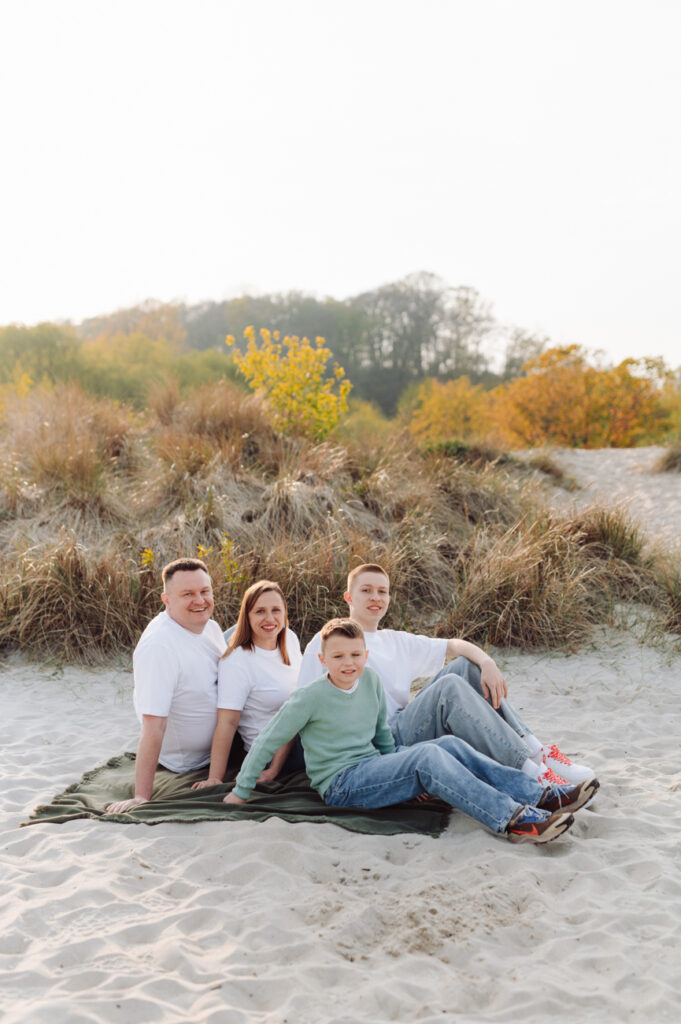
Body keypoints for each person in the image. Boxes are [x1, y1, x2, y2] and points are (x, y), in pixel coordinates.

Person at [226, 619, 599, 844]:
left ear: (365, 656)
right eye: (338, 656)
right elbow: (268, 740)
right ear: (323, 659)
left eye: (355, 655)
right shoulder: (309, 698)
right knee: (429, 755)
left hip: (374, 767)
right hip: (342, 785)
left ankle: (541, 795)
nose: (348, 663)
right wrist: (241, 792)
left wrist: (400, 767)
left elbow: (382, 736)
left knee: (448, 743)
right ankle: (514, 820)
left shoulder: (369, 681)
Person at [297, 564, 595, 785]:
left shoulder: (395, 640)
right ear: (348, 597)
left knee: (466, 666)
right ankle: (531, 771)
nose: (375, 597)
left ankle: (537, 751)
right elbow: (301, 705)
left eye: (382, 591)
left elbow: (454, 645)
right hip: (380, 740)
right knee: (450, 686)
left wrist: (486, 661)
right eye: (366, 590)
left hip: (407, 722)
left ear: (388, 599)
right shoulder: (327, 643)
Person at [106, 557, 226, 814]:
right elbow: (154, 724)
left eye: (205, 591)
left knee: (265, 626)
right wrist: (141, 796)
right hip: (192, 760)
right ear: (167, 600)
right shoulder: (160, 648)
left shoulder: (211, 627)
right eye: (188, 594)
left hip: (227, 733)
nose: (200, 600)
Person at [192, 580, 304, 790]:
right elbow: (227, 724)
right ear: (248, 616)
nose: (270, 619)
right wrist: (214, 777)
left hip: (301, 735)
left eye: (276, 610)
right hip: (271, 753)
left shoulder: (289, 638)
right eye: (260, 611)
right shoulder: (237, 661)